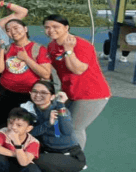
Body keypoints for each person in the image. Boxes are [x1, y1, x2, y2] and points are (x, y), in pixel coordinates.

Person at [44, 14, 111, 151]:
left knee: (74, 128)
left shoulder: (81, 45)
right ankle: (59, 153)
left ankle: (76, 161)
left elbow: (78, 69)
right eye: (47, 27)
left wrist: (69, 50)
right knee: (59, 123)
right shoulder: (52, 46)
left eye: (56, 27)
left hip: (91, 94)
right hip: (70, 92)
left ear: (66, 27)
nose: (51, 30)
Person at [24, 80, 86, 172]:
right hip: (48, 150)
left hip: (71, 156)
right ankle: (49, 166)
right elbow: (31, 132)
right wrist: (48, 123)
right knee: (24, 156)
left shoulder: (60, 110)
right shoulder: (31, 109)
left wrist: (61, 105)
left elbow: (66, 132)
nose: (38, 95)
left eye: (43, 93)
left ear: (52, 96)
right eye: (35, 91)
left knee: (36, 160)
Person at [0, 19, 51, 129]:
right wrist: (1, 50)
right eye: (8, 30)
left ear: (25, 29)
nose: (13, 32)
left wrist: (27, 59)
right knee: (0, 125)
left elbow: (46, 74)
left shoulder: (38, 48)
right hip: (5, 92)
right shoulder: (8, 47)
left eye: (16, 28)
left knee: (23, 127)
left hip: (27, 95)